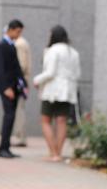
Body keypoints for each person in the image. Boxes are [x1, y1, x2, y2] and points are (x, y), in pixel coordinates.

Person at [33, 26, 80, 162]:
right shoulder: (73, 52)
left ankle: (53, 152)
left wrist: (37, 80)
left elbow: (50, 72)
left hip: (52, 91)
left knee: (45, 120)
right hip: (68, 91)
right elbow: (77, 74)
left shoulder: (53, 50)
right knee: (62, 121)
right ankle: (58, 152)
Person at [0, 19, 27, 158]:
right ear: (11, 30)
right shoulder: (0, 46)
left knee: (11, 117)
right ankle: (2, 148)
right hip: (7, 88)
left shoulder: (11, 45)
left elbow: (16, 67)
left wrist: (24, 84)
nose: (19, 34)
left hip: (14, 87)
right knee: (8, 116)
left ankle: (6, 147)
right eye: (18, 31)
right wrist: (6, 87)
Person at [13, 35, 32, 147]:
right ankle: (21, 136)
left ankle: (20, 137)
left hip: (20, 82)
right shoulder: (23, 42)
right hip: (23, 81)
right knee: (20, 108)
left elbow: (21, 65)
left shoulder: (19, 44)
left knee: (19, 109)